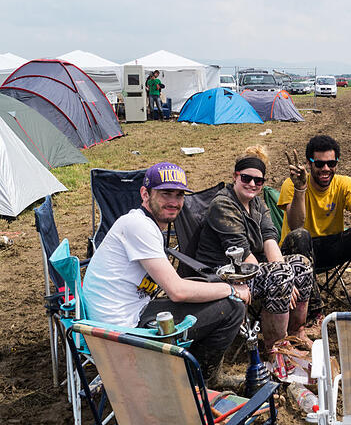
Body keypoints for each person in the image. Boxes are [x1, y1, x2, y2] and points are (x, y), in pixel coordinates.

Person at [82, 162, 250, 384]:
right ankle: (200, 382)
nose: (174, 202)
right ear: (145, 194)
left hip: (119, 318)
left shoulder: (141, 223)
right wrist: (232, 289)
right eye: (165, 194)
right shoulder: (138, 226)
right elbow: (177, 291)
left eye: (179, 195)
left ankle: (190, 374)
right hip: (122, 334)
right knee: (231, 307)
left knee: (209, 293)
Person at [196, 146, 315, 352]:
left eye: (258, 181)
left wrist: (288, 275)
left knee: (301, 265)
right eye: (246, 178)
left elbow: (270, 239)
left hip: (249, 268)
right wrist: (282, 277)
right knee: (280, 275)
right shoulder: (222, 205)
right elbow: (242, 254)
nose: (252, 184)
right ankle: (276, 348)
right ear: (235, 176)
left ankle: (297, 332)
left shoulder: (257, 204)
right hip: (225, 273)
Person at [279, 135, 351, 316]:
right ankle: (314, 312)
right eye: (319, 164)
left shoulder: (344, 183)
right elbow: (296, 225)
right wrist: (300, 189)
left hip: (331, 248)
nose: (325, 169)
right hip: (298, 252)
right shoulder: (292, 184)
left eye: (331, 163)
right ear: (308, 163)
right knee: (300, 235)